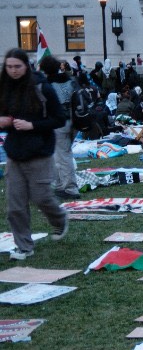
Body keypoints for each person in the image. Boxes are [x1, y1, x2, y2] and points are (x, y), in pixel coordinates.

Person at [0, 49, 69, 260]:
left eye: (17, 66)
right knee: (15, 205)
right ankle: (24, 247)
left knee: (42, 197)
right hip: (14, 152)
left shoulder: (42, 87)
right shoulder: (4, 88)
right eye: (9, 67)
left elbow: (60, 118)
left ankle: (60, 220)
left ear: (26, 66)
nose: (13, 71)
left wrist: (32, 125)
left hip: (39, 150)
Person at [37, 56, 81, 200]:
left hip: (59, 122)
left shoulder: (47, 83)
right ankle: (62, 185)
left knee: (62, 156)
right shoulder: (70, 80)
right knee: (61, 154)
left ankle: (70, 188)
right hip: (74, 120)